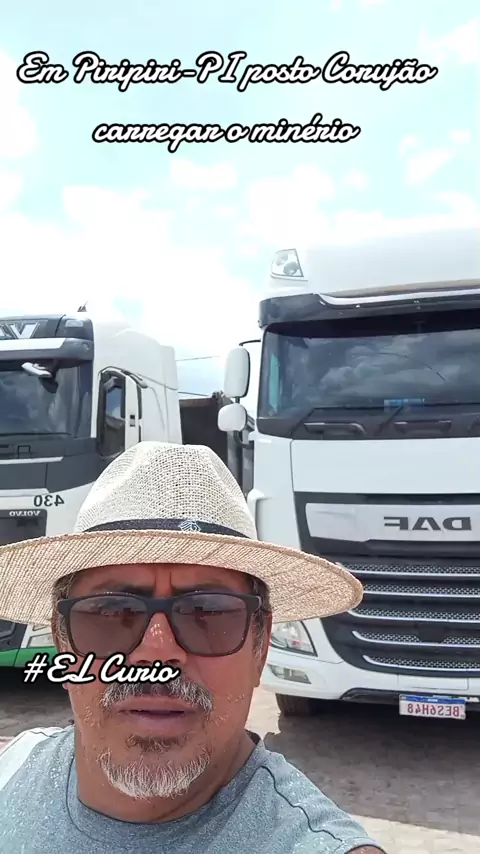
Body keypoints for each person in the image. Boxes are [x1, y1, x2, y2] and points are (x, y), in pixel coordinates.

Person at [0, 441, 385, 853]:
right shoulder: (15, 766)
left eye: (208, 612)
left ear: (260, 647)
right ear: (63, 643)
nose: (157, 653)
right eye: (112, 612)